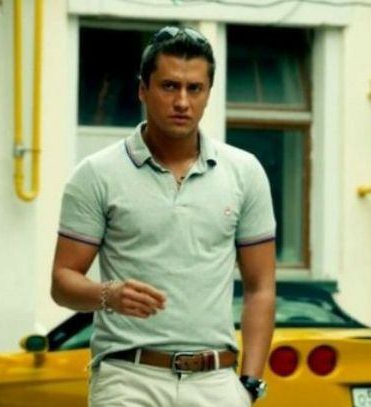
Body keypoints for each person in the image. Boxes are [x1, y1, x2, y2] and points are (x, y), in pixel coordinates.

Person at [51, 25, 276, 407]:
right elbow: (62, 281)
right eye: (170, 86)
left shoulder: (245, 172)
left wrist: (249, 384)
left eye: (194, 88)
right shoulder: (96, 174)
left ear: (208, 93)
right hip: (129, 378)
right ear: (143, 89)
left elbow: (261, 288)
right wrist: (109, 295)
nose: (182, 101)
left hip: (216, 381)